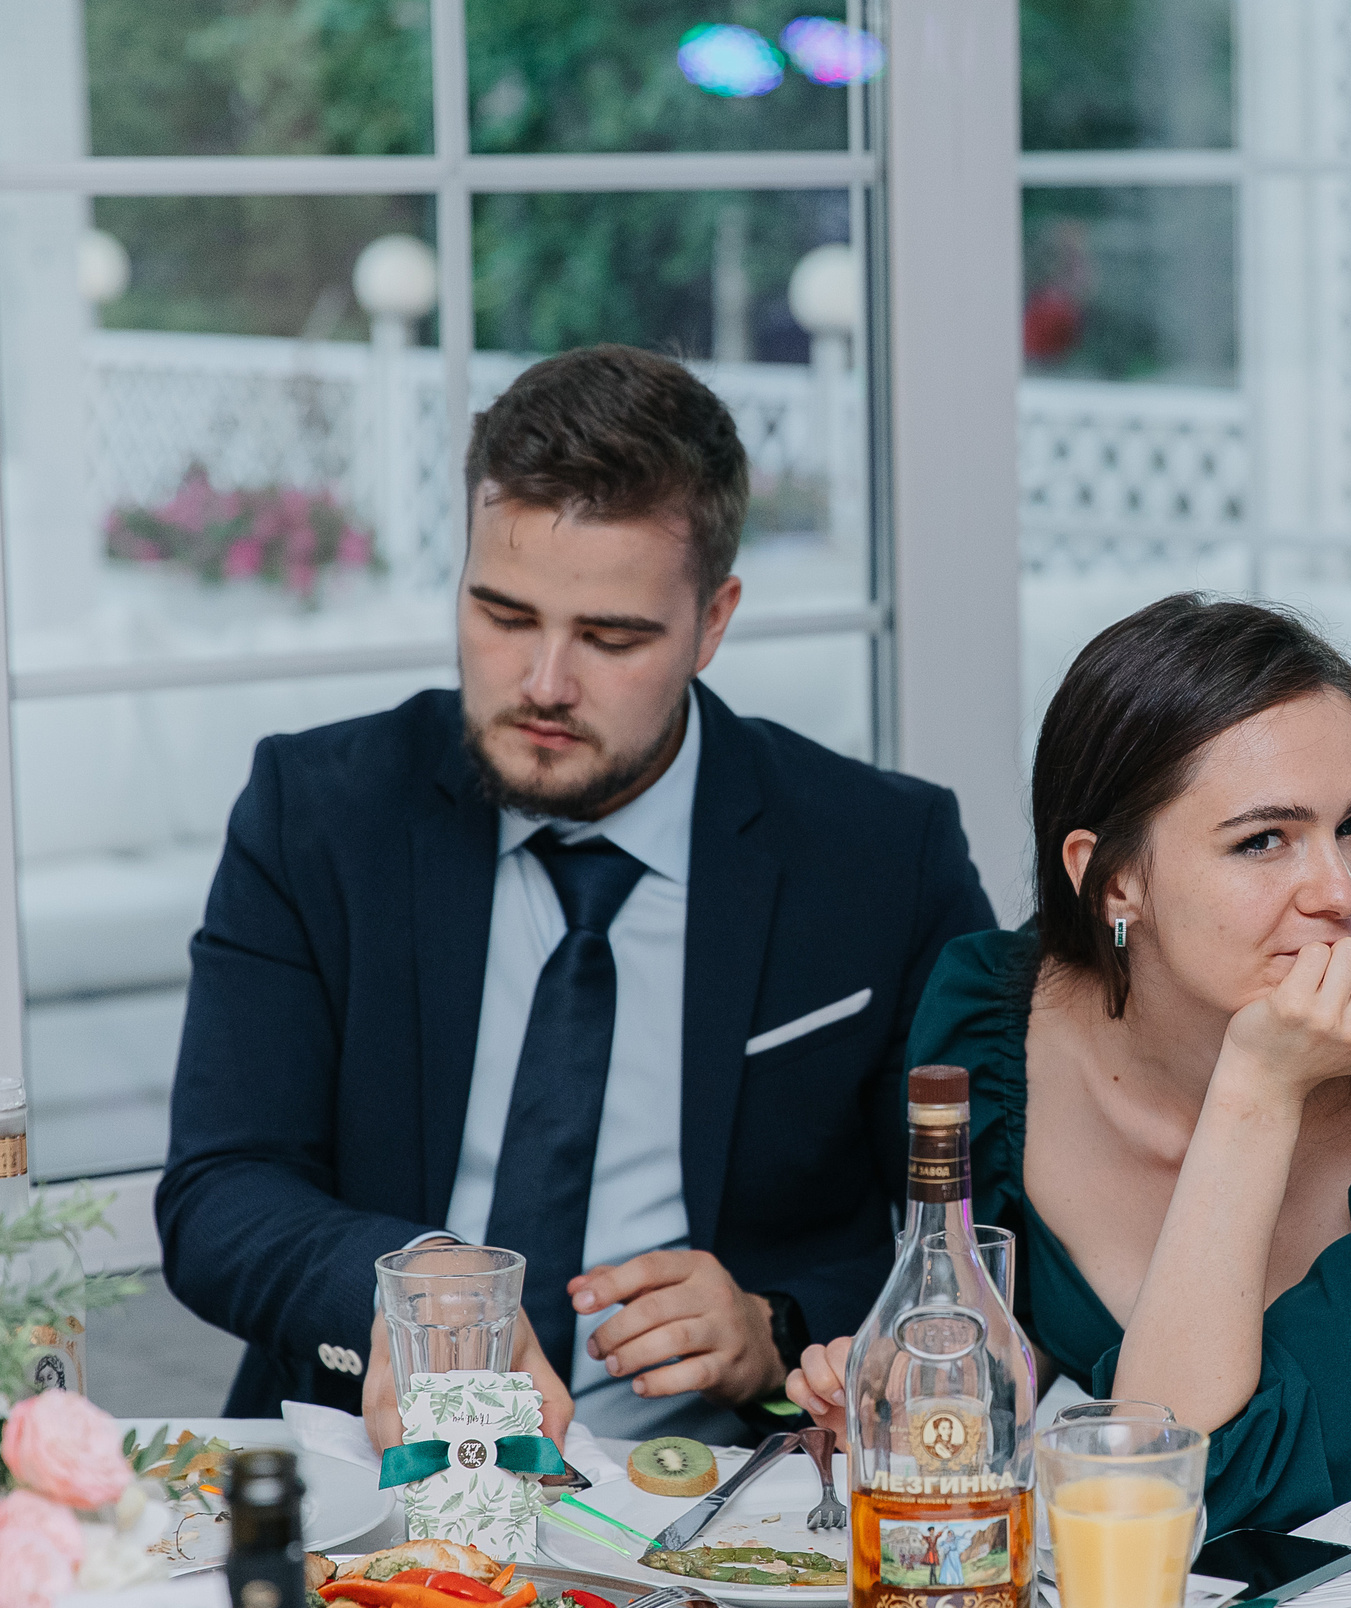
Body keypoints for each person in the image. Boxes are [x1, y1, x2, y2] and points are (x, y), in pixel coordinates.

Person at [158, 345, 996, 1447]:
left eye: (610, 638)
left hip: (729, 1498)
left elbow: (990, 1234)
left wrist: (776, 1329)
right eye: (503, 616)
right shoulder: (317, 815)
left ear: (713, 622)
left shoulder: (881, 854)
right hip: (370, 1477)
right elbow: (220, 1190)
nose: (544, 684)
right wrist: (407, 1284)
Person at [792, 594, 1351, 1608]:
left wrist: (1256, 1090)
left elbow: (1182, 1489)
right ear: (1111, 880)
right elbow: (1038, 1368)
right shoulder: (991, 1020)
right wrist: (931, 1396)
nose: (1340, 891)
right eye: (1264, 842)